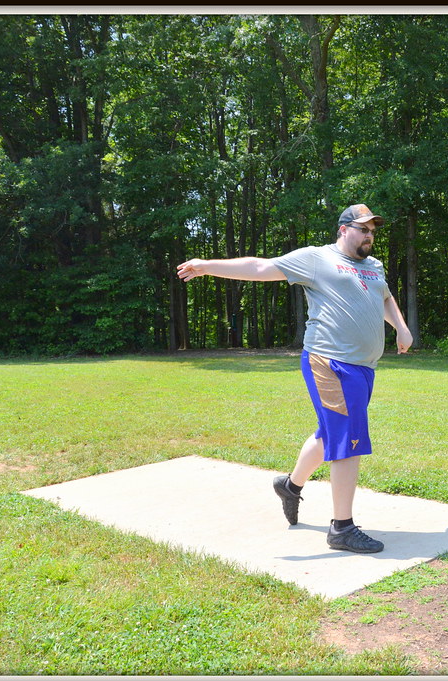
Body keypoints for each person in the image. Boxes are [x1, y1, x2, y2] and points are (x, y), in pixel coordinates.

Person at [176, 204, 413, 554]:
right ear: (343, 229)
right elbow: (260, 266)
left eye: (372, 230)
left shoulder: (374, 267)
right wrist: (206, 267)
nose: (369, 235)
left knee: (330, 432)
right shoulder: (317, 259)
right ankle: (342, 529)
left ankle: (289, 485)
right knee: (347, 439)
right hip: (330, 361)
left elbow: (386, 298)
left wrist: (402, 329)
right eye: (362, 229)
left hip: (364, 366)